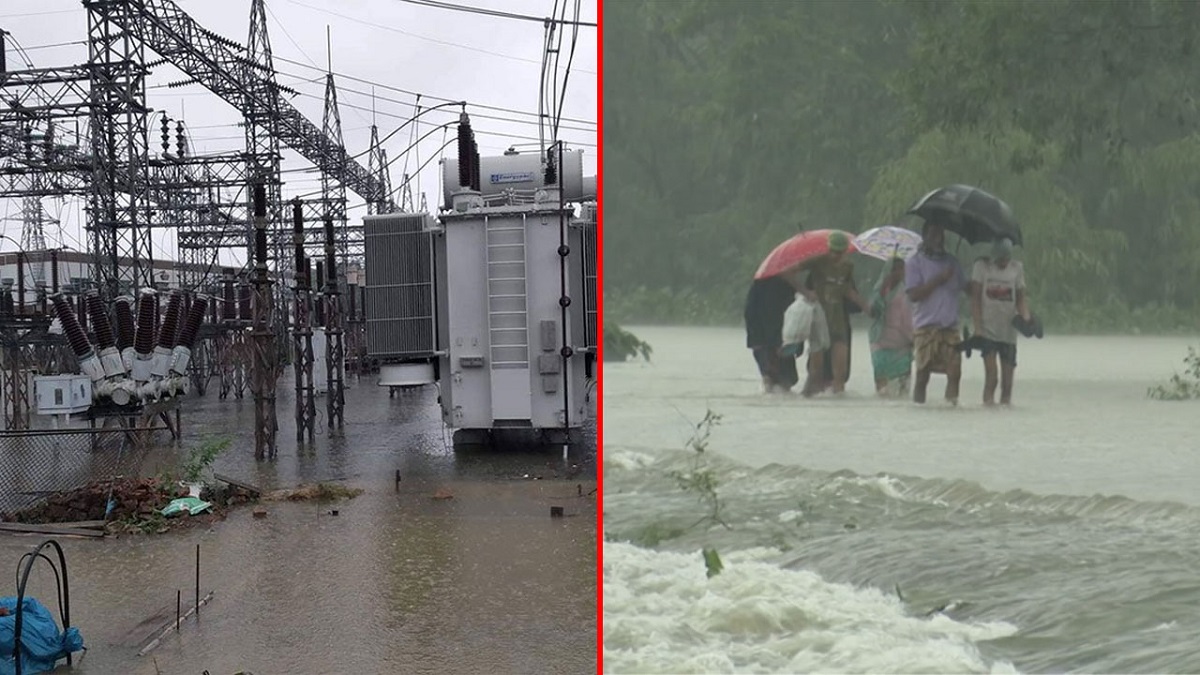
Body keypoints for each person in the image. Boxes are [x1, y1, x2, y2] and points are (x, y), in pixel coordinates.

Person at [800, 231, 871, 396]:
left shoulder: (847, 267)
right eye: (833, 252)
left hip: (838, 321)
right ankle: (807, 397)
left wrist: (866, 307)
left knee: (840, 373)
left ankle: (839, 403)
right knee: (815, 372)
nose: (836, 256)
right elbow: (788, 272)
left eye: (840, 253)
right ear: (828, 249)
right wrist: (805, 292)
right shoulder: (817, 263)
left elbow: (848, 290)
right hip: (819, 322)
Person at [904, 221, 967, 404]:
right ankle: (919, 407)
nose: (937, 238)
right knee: (923, 375)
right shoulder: (914, 262)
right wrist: (939, 279)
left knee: (954, 374)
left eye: (940, 234)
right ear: (925, 236)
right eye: (933, 233)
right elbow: (914, 295)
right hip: (926, 327)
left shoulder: (952, 263)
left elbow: (964, 286)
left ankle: (950, 407)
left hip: (950, 327)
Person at [968, 237, 1031, 405]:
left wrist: (1026, 317)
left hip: (1008, 332)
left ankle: (1005, 413)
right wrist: (978, 328)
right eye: (1001, 259)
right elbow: (975, 299)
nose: (1004, 262)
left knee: (1007, 384)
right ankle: (988, 408)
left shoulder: (1017, 268)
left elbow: (1021, 299)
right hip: (987, 331)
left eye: (1007, 258)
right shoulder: (981, 267)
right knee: (992, 377)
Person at [744, 272, 803, 394]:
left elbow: (749, 311)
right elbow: (750, 312)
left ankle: (770, 396)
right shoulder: (764, 284)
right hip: (769, 338)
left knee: (781, 377)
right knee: (774, 376)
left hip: (777, 338)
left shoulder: (789, 286)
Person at [868, 256, 914, 396]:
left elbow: (909, 318)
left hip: (902, 345)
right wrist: (883, 291)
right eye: (895, 269)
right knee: (882, 388)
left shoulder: (906, 292)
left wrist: (913, 339)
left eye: (902, 269)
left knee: (903, 388)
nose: (898, 272)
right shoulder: (879, 289)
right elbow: (873, 310)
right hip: (880, 342)